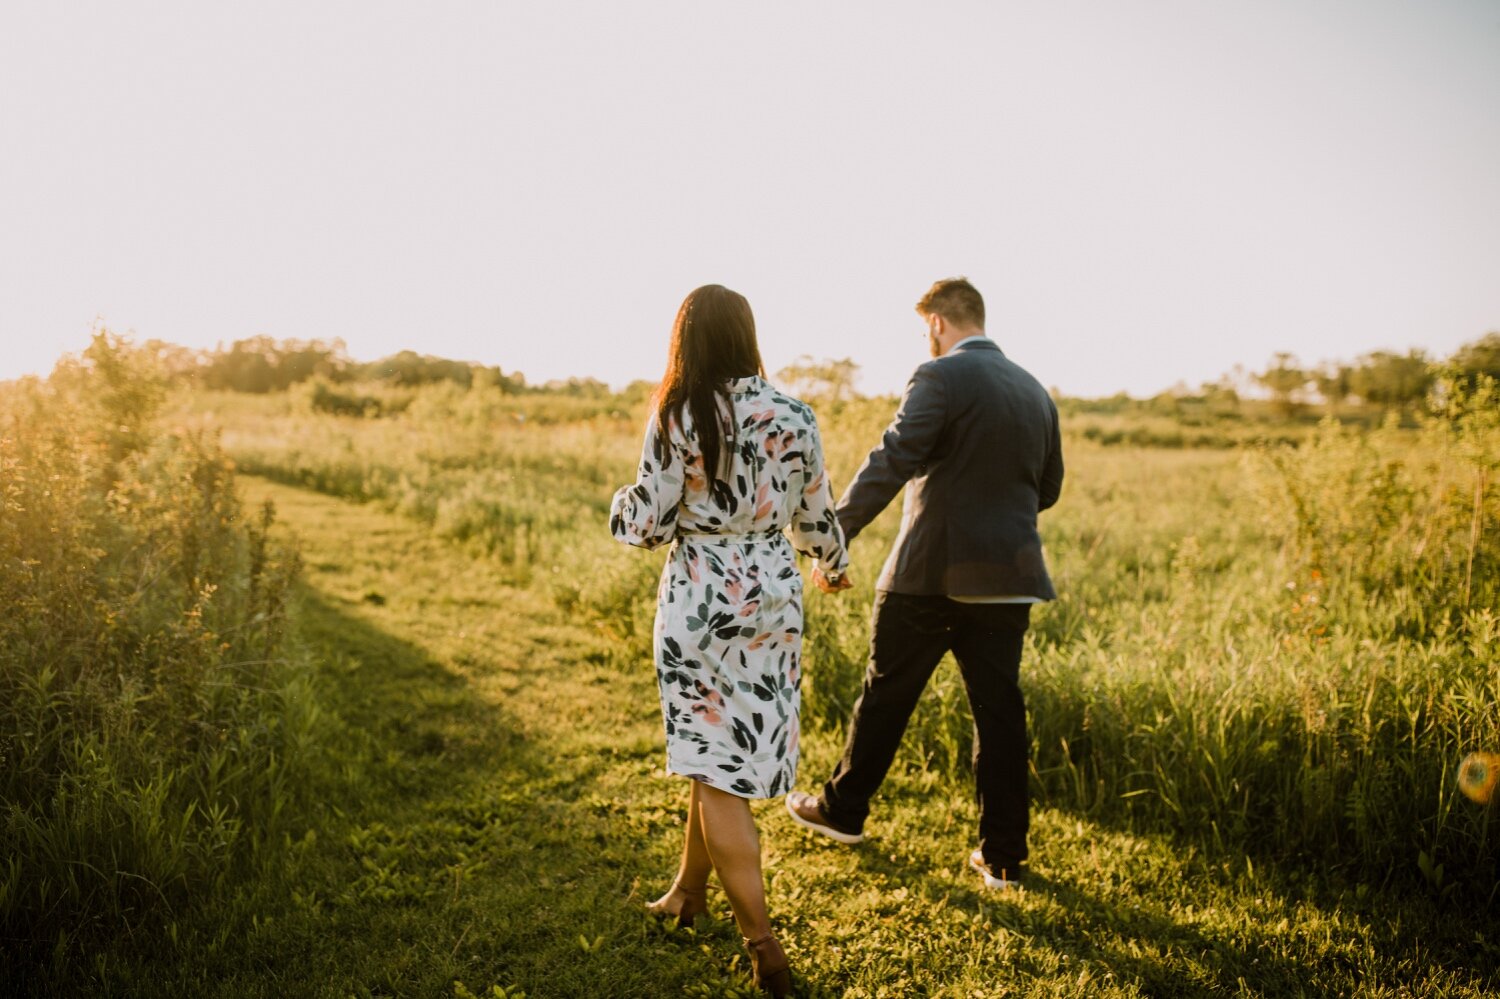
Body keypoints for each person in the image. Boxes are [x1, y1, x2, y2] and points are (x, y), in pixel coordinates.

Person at [610, 284, 850, 996]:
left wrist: (619, 507)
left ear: (689, 339)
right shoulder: (795, 413)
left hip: (702, 597)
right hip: (773, 592)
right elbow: (817, 511)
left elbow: (647, 523)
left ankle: (763, 942)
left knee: (714, 768)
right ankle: (688, 890)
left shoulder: (679, 413)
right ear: (746, 335)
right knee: (710, 755)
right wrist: (829, 566)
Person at [786, 276, 1063, 890]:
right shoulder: (1035, 392)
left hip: (929, 573)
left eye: (924, 329)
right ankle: (1003, 858)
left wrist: (835, 538)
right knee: (999, 713)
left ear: (937, 322)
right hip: (1008, 579)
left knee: (886, 694)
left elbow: (892, 458)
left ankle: (842, 812)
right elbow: (1047, 490)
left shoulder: (937, 376)